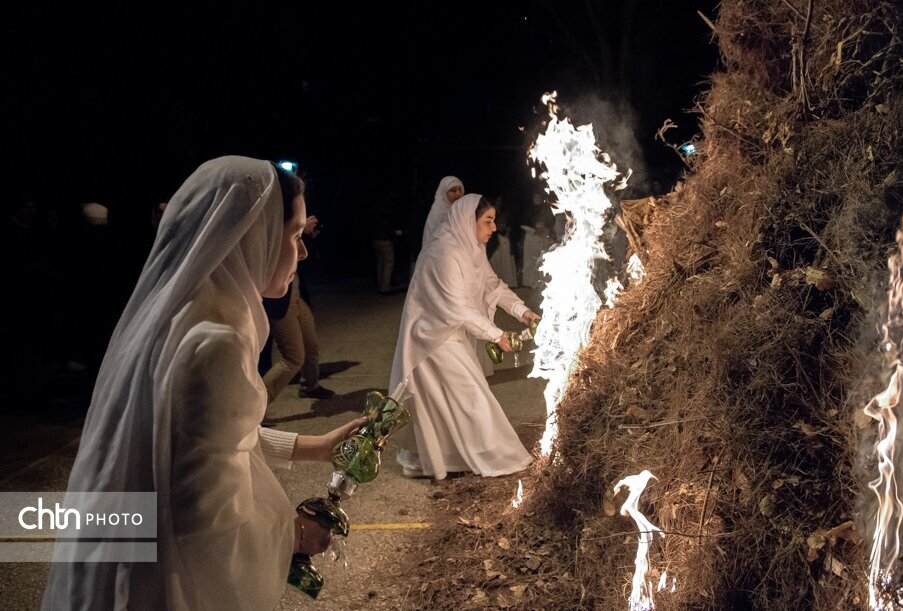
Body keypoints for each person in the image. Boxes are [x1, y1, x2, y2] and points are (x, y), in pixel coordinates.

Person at [42, 156, 367, 611]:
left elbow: (188, 436)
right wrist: (293, 532)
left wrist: (314, 446)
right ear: (253, 235)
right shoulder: (219, 341)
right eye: (294, 235)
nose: (304, 251)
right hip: (162, 583)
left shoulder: (176, 314)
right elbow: (203, 513)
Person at [390, 193, 539, 480]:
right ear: (465, 220)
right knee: (471, 395)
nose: (493, 228)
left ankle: (437, 459)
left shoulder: (471, 247)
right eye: (487, 221)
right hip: (431, 338)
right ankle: (498, 457)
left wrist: (523, 312)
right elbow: (455, 306)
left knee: (449, 400)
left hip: (449, 333)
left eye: (493, 221)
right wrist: (495, 334)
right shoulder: (443, 252)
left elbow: (492, 284)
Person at [261, 213, 334, 401]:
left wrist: (303, 233)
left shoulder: (288, 226)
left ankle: (310, 386)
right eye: (297, 237)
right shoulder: (268, 225)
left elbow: (305, 259)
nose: (302, 253)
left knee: (311, 345)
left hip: (296, 296)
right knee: (293, 357)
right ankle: (255, 408)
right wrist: (301, 228)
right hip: (279, 299)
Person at [420, 175, 464, 247]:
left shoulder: (459, 211)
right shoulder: (438, 212)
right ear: (443, 192)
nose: (458, 194)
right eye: (453, 190)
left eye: (460, 190)